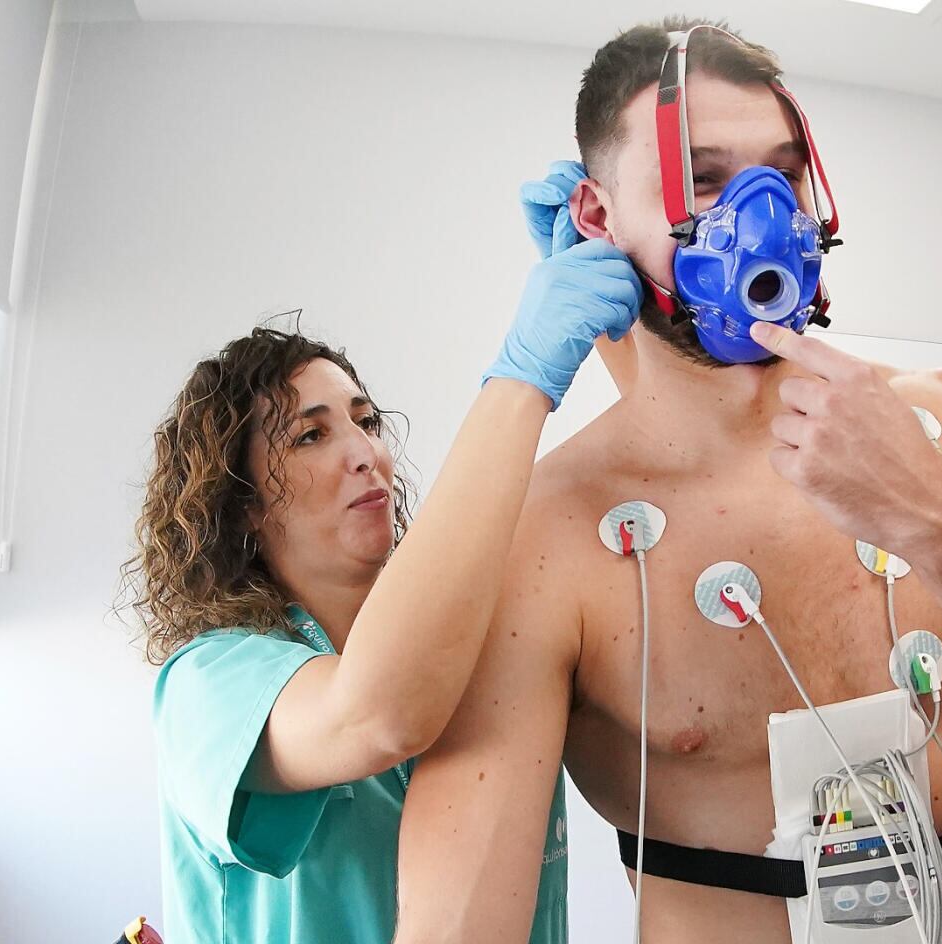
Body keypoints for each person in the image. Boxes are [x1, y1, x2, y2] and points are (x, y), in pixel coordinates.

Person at [396, 18, 942, 944]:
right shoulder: (544, 537)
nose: (760, 215)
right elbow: (457, 926)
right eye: (705, 177)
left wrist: (934, 516)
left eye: (780, 174)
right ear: (595, 218)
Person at [121, 232, 641, 944]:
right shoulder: (211, 684)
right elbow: (378, 714)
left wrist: (628, 289)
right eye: (311, 436)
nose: (365, 454)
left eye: (366, 422)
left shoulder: (485, 644)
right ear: (242, 505)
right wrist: (523, 381)